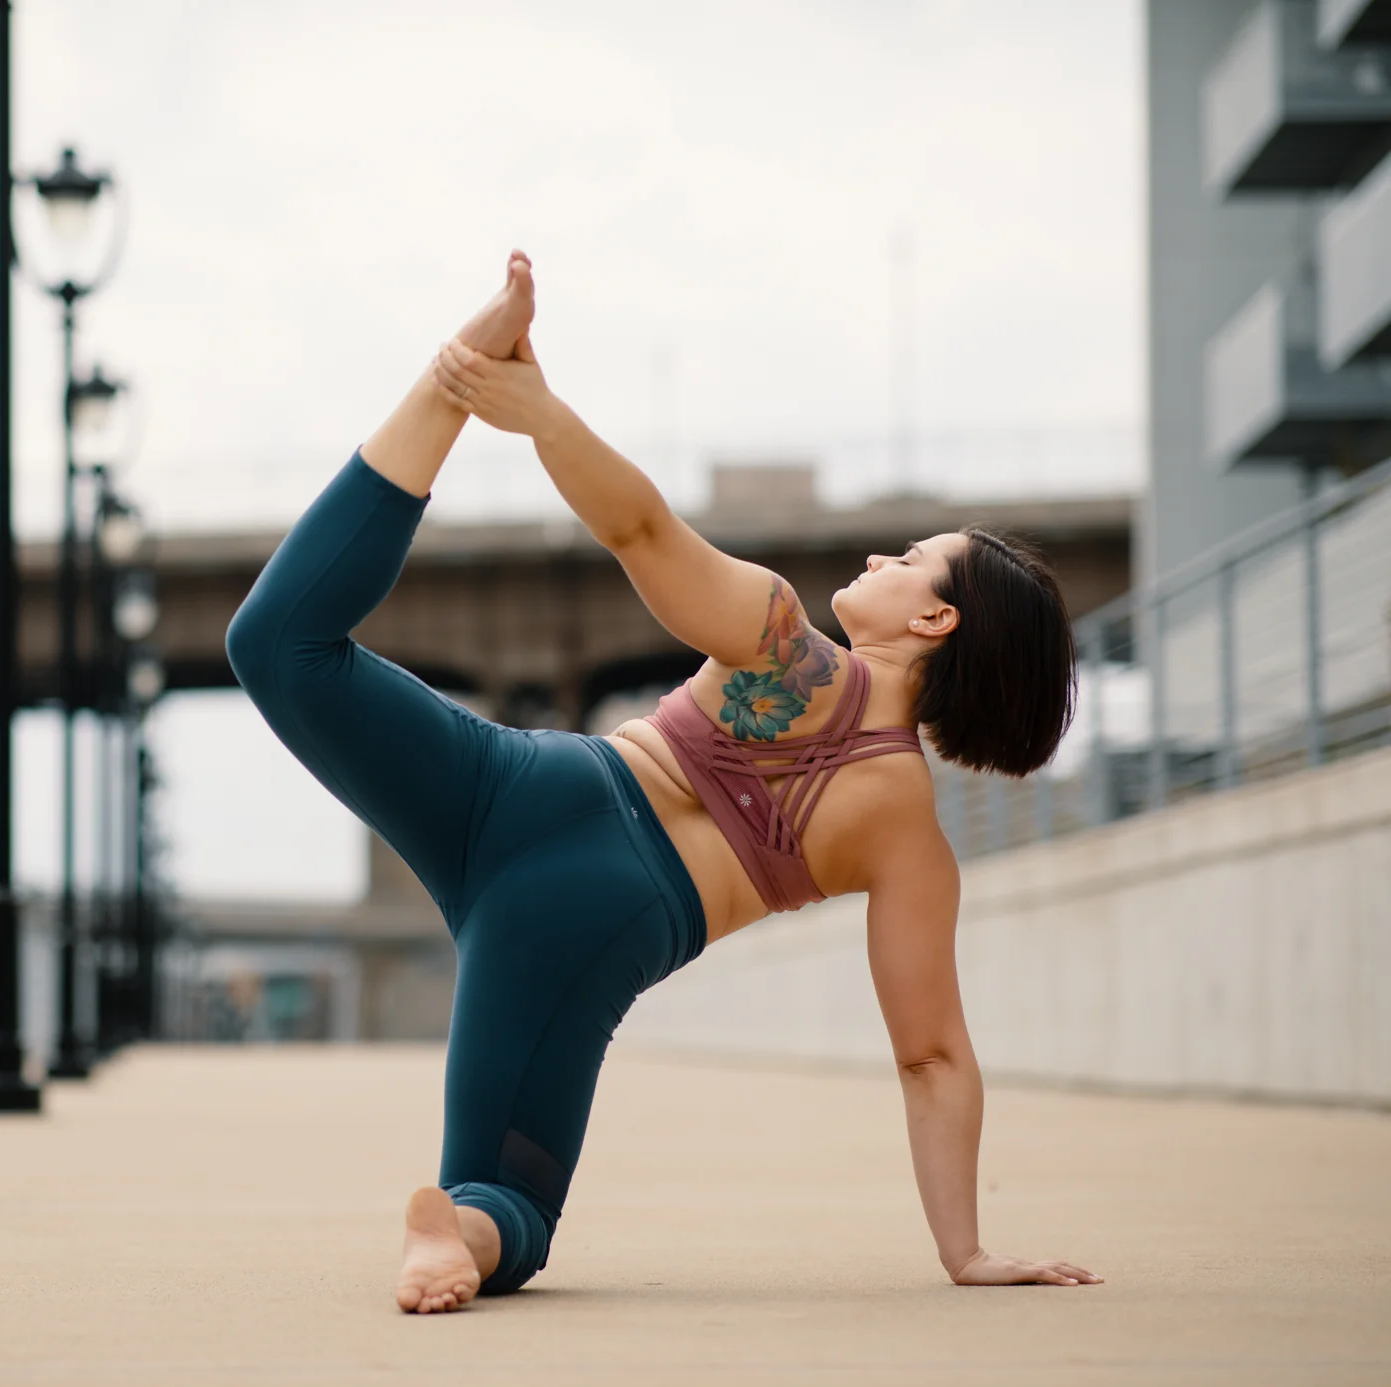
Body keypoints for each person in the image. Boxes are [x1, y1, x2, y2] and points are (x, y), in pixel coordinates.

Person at [225, 252, 1103, 1314]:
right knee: (508, 1196)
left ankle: (445, 384)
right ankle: (453, 1232)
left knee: (281, 644)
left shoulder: (784, 640)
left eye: (911, 558)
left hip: (517, 786)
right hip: (598, 916)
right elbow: (931, 1057)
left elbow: (640, 530)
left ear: (935, 619)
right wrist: (966, 1251)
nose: (879, 558)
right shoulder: (907, 830)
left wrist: (537, 411)